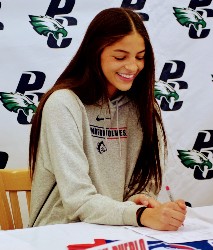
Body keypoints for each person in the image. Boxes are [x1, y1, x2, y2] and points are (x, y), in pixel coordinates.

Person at [28, 7, 186, 231]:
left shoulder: (145, 108)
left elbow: (144, 185)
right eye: (120, 57)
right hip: (59, 233)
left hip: (116, 231)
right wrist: (140, 215)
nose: (133, 67)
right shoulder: (62, 104)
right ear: (95, 53)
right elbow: (78, 200)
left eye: (140, 57)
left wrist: (141, 201)